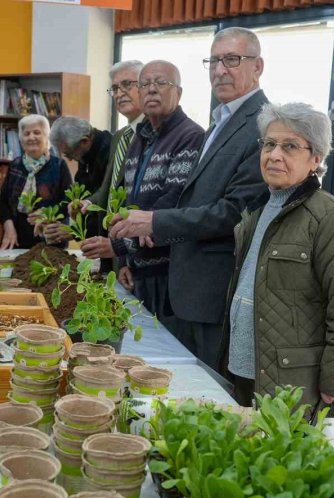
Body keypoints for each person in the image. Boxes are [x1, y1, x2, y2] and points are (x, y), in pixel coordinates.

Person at [110, 28, 270, 370]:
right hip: (185, 285)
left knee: (207, 391)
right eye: (214, 60)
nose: (220, 70)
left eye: (232, 60)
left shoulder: (262, 124)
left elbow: (234, 213)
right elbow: (192, 198)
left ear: (258, 66)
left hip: (213, 287)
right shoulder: (220, 120)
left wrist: (155, 221)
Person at [224, 102, 334, 414]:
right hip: (243, 367)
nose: (274, 155)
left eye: (289, 146)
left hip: (290, 380)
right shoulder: (257, 211)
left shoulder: (330, 217)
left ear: (316, 158)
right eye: (269, 144)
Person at [111, 60, 204, 327]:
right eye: (145, 84)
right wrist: (125, 260)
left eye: (161, 83)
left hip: (168, 274)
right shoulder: (139, 137)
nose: (151, 90)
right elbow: (132, 204)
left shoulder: (191, 135)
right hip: (139, 268)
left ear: (179, 93)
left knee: (163, 357)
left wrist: (116, 245)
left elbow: (173, 200)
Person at [74, 60, 145, 284]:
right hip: (114, 241)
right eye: (115, 88)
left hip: (140, 243)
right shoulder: (120, 136)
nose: (119, 93)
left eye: (126, 85)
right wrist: (88, 202)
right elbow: (109, 187)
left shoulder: (153, 133)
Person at [0, 114, 72, 249]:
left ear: (46, 137)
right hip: (17, 241)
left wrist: (49, 213)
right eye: (26, 133)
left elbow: (70, 202)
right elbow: (3, 203)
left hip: (51, 240)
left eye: (37, 132)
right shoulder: (15, 165)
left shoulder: (59, 166)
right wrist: (8, 226)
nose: (31, 137)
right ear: (21, 140)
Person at [46, 116, 112, 244]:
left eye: (70, 154)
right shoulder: (85, 152)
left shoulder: (110, 151)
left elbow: (107, 200)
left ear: (85, 141)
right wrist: (50, 216)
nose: (70, 160)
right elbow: (78, 190)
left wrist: (75, 231)